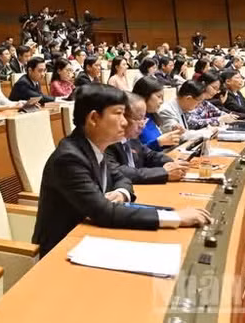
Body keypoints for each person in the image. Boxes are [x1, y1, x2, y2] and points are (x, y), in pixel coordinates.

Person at [32, 84, 210, 256]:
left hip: (93, 235)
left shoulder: (94, 146)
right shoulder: (70, 158)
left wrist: (122, 192)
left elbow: (122, 177)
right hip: (63, 248)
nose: (125, 122)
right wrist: (175, 218)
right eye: (118, 114)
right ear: (93, 118)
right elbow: (104, 212)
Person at [105, 93, 189, 184]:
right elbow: (119, 171)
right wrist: (164, 172)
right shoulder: (107, 141)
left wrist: (174, 163)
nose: (142, 124)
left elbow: (149, 155)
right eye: (138, 118)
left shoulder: (132, 138)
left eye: (144, 118)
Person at [132, 77, 181, 151]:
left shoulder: (151, 116)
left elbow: (157, 146)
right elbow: (135, 153)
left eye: (162, 98)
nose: (161, 101)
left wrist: (171, 138)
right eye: (158, 97)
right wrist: (159, 142)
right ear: (144, 96)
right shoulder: (132, 121)